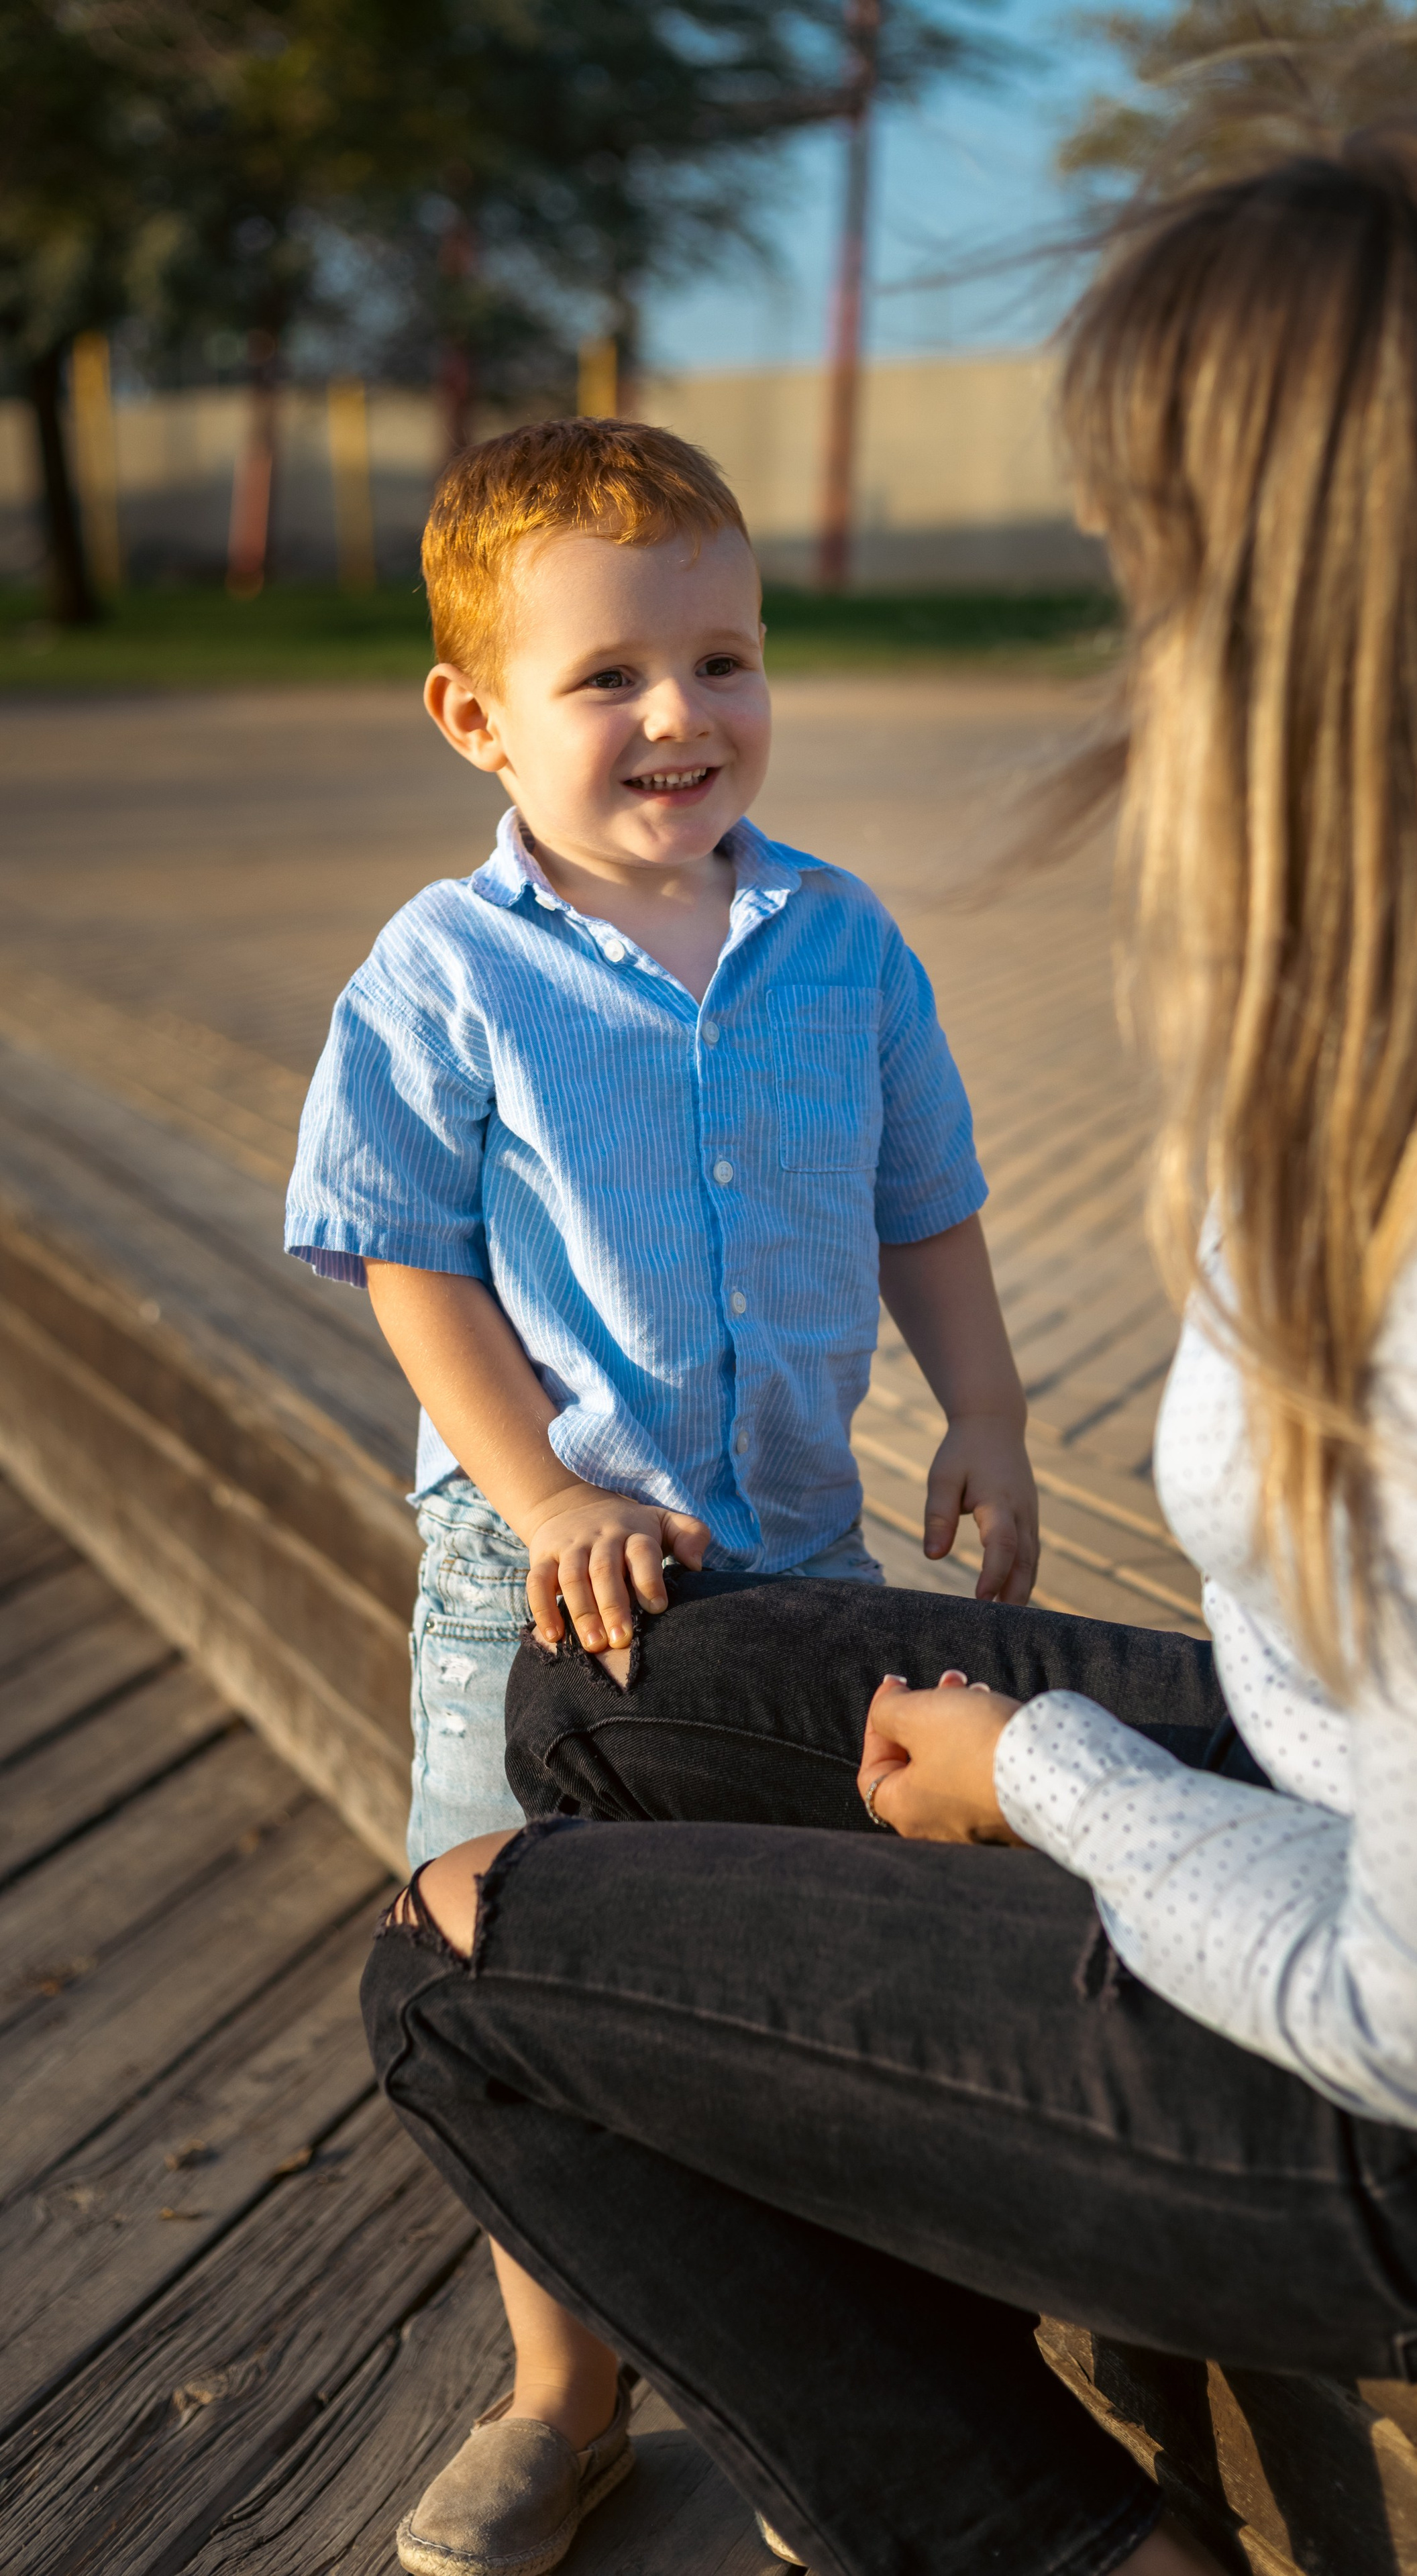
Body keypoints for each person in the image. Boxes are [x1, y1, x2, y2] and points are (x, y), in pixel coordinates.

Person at [357, 74, 1417, 2576]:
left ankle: (1048, 2534)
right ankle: (880, 2226)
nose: (1131, 655)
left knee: (449, 1961)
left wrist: (1059, 1783)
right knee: (585, 1703)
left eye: (1165, 572)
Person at [283, 416, 1040, 2576]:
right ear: (474, 718)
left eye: (724, 659)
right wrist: (536, 1494)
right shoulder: (447, 972)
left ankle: (833, 2389)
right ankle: (566, 2394)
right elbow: (402, 1252)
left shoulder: (841, 939)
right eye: (609, 675)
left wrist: (984, 1413)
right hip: (537, 1592)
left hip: (794, 1569)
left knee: (807, 1979)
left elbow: (932, 1202)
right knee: (519, 1960)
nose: (679, 718)